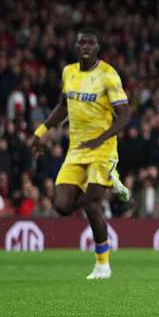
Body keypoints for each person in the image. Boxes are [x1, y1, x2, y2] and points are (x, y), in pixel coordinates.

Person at [29, 29, 132, 280]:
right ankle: (112, 181)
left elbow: (126, 114)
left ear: (98, 47)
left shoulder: (108, 75)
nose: (85, 46)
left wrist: (101, 137)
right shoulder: (69, 72)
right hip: (76, 150)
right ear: (76, 47)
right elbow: (64, 106)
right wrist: (41, 131)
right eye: (81, 42)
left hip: (103, 149)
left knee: (90, 202)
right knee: (61, 206)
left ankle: (102, 264)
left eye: (90, 42)